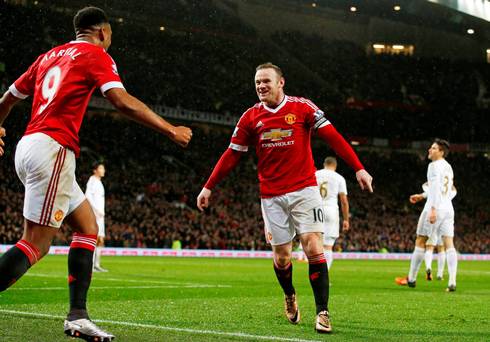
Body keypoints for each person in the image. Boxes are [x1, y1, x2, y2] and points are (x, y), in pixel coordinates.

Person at [0, 6, 192, 341]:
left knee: (88, 227)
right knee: (36, 243)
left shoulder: (49, 56)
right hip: (54, 148)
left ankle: (78, 316)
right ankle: (76, 316)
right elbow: (121, 101)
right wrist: (169, 129)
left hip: (30, 145)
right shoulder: (95, 54)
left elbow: (9, 97)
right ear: (102, 31)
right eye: (110, 35)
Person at [197, 63, 373, 333]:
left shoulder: (302, 108)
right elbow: (232, 154)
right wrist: (208, 186)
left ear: (281, 83)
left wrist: (358, 167)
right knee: (282, 257)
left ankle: (322, 312)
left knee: (314, 246)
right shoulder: (250, 117)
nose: (260, 86)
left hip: (305, 190)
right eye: (257, 82)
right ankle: (289, 294)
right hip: (271, 196)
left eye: (266, 81)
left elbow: (333, 138)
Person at [396, 139, 458, 292]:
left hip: (435, 207)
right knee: (449, 243)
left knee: (421, 240)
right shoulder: (448, 167)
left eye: (434, 148)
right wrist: (423, 195)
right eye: (430, 147)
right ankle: (452, 281)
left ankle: (411, 278)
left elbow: (436, 188)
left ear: (441, 152)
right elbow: (448, 190)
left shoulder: (433, 166)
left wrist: (433, 209)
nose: (430, 150)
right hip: (448, 208)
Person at [414, 182, 456, 281]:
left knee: (429, 247)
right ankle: (440, 274)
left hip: (432, 214)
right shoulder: (449, 189)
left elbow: (428, 189)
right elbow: (454, 191)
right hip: (445, 214)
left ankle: (428, 267)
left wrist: (422, 194)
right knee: (442, 248)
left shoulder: (433, 184)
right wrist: (450, 181)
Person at [315, 156, 349, 270]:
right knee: (328, 246)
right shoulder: (339, 178)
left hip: (316, 209)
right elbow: (344, 201)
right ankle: (324, 277)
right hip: (331, 210)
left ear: (324, 164)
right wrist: (346, 219)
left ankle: (316, 275)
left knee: (316, 245)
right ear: (335, 166)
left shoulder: (315, 175)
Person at [85, 161, 107, 272]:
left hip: (100, 216)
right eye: (101, 168)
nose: (103, 170)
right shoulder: (92, 181)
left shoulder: (99, 182)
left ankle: (97, 264)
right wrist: (96, 211)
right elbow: (87, 196)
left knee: (101, 240)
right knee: (95, 239)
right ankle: (91, 264)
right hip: (95, 215)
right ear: (95, 170)